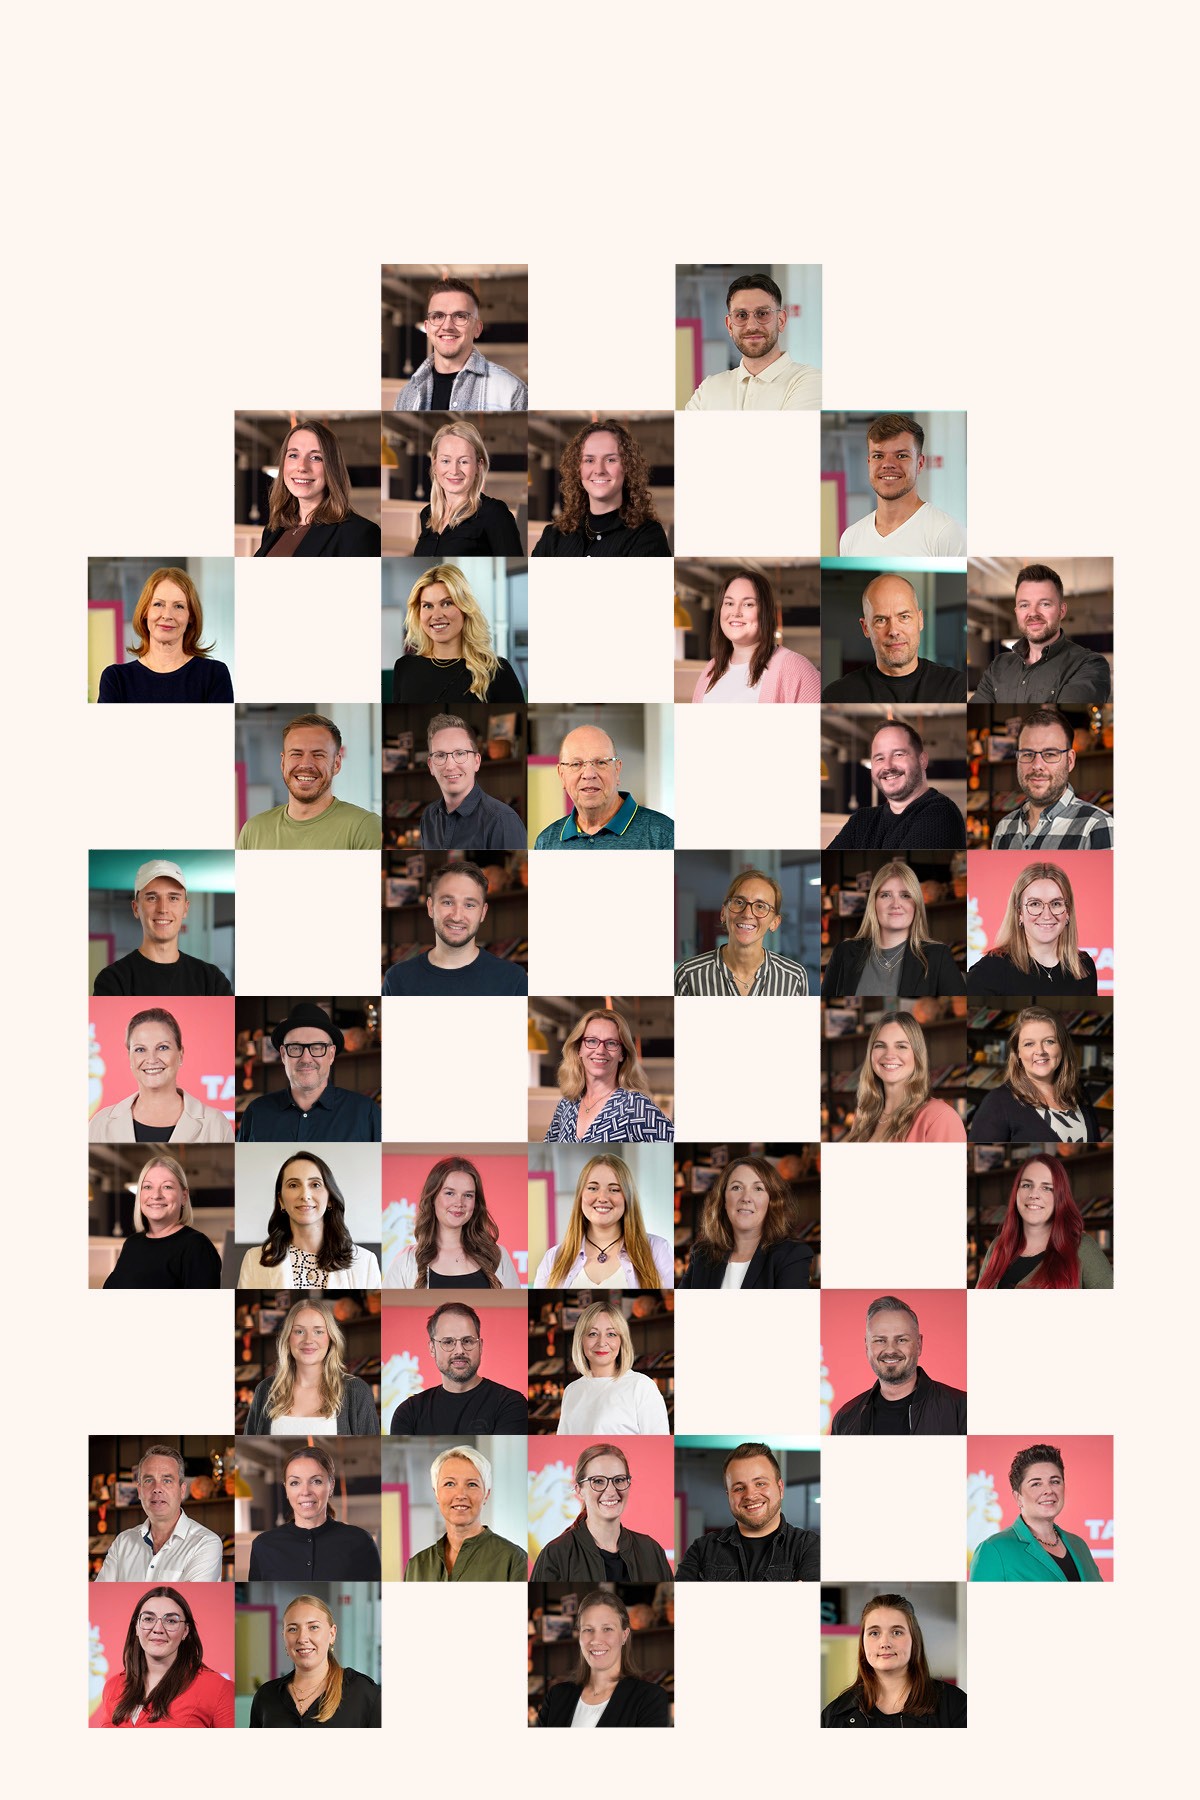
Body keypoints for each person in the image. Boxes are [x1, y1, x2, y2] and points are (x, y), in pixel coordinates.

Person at [237, 1003, 382, 1143]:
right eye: (295, 1048)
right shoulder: (256, 1113)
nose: (306, 1058)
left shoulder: (366, 1113)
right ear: (283, 1055)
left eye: (317, 1047)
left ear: (331, 1055)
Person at [92, 1586, 234, 1728]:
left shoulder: (218, 1688)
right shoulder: (113, 1686)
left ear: (185, 1631)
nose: (158, 1629)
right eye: (148, 1619)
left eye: (171, 1621)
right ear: (136, 1627)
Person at [237, 712, 382, 850]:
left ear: (336, 764)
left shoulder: (365, 827)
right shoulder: (253, 831)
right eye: (296, 754)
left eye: (318, 755)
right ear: (283, 763)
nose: (306, 764)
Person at [530, 1443, 673, 1582]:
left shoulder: (650, 1550)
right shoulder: (556, 1554)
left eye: (619, 1480)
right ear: (579, 1490)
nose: (611, 1491)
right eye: (598, 1481)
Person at [236, 1153, 382, 1289]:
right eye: (293, 1185)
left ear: (330, 1198)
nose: (305, 1195)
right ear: (281, 1200)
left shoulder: (365, 1262)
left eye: (315, 1185)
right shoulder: (253, 1260)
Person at [676, 1442, 820, 1580]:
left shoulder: (809, 1547)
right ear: (729, 1495)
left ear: (780, 1488)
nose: (750, 1495)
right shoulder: (702, 1550)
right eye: (739, 1488)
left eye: (760, 1483)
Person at [821, 860, 965, 998]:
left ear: (916, 904)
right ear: (874, 904)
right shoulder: (843, 953)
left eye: (905, 895)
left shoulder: (938, 957)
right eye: (885, 895)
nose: (896, 904)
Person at [381, 860, 526, 996]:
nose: (457, 916)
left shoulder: (513, 980)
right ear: (430, 907)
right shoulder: (397, 980)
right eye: (448, 902)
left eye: (469, 905)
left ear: (483, 913)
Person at [89, 1007, 234, 1144]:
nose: (152, 1059)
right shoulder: (100, 1124)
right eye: (140, 1049)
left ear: (180, 1054)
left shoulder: (215, 1124)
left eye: (163, 1047)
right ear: (130, 1057)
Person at [821, 1592, 967, 1726]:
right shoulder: (833, 1717)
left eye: (896, 1632)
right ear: (863, 1642)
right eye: (874, 1633)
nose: (885, 1643)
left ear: (914, 1640)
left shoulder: (956, 1705)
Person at [974, 563, 1111, 703]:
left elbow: (1058, 719)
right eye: (1024, 605)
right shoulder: (998, 666)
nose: (1033, 613)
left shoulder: (1088, 665)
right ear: (1016, 612)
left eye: (1044, 604)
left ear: (1062, 611)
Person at [830, 1295, 967, 1435]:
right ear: (867, 1347)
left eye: (901, 1340)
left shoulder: (963, 1409)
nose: (890, 1350)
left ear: (919, 1344)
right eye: (880, 1340)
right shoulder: (845, 1419)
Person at [93, 859, 233, 996]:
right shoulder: (113, 980)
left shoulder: (212, 981)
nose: (163, 909)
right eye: (152, 898)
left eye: (173, 898)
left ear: (185, 908)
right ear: (136, 908)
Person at [683, 272, 821, 411]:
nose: (752, 326)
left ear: (781, 320)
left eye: (762, 313)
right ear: (730, 326)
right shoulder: (708, 389)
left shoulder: (810, 381)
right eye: (741, 315)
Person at [532, 420, 670, 557]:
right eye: (589, 460)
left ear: (627, 467)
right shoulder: (554, 536)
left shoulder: (647, 535)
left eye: (610, 460)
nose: (599, 470)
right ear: (578, 469)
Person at [534, 1589, 671, 1727]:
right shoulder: (557, 1696)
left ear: (624, 1635)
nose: (596, 1640)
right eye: (588, 1629)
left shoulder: (649, 1698)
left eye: (607, 1629)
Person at [532, 1155, 673, 1288]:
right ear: (580, 1195)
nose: (602, 1197)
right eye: (593, 1188)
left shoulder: (657, 1250)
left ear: (627, 1197)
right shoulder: (553, 1258)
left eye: (614, 1189)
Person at [97, 566, 234, 703]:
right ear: (145, 611)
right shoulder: (116, 679)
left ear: (191, 616)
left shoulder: (214, 675)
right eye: (158, 604)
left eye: (179, 606)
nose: (167, 615)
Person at [242, 1297, 378, 1435]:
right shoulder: (265, 1390)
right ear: (288, 1338)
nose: (308, 1340)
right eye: (299, 1331)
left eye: (318, 1331)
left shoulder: (357, 1391)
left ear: (330, 1338)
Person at [970, 1443, 1103, 1581]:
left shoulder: (1079, 1545)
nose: (1049, 1490)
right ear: (1018, 1497)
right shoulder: (993, 1550)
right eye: (1036, 1484)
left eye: (1055, 1481)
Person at [382, 1155, 521, 1287]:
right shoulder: (406, 1261)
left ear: (476, 1202)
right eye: (450, 1193)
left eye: (468, 1195)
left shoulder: (497, 1255)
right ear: (432, 1198)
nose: (459, 1203)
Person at [392, 563, 524, 703]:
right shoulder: (404, 668)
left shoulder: (496, 671)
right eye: (428, 606)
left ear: (465, 608)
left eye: (447, 603)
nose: (436, 615)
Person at [826, 719, 966, 851]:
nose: (888, 766)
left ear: (922, 760)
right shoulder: (861, 821)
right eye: (879, 758)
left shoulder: (939, 813)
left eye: (898, 754)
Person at [822, 574, 966, 702]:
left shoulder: (956, 688)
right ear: (865, 628)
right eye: (881, 620)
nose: (894, 631)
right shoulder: (838, 695)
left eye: (904, 617)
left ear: (920, 620)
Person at [388, 1301, 528, 1433]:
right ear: (432, 1348)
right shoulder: (408, 1412)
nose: (459, 1350)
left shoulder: (510, 1404)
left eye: (467, 1341)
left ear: (480, 1346)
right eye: (448, 1342)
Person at [968, 1005, 1100, 1143]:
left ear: (1062, 1046)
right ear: (1018, 1052)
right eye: (1029, 1044)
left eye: (1049, 1041)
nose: (1040, 1051)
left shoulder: (1078, 1091)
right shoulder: (997, 1102)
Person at [975, 1156, 1112, 1288]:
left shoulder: (1081, 1247)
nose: (1033, 1194)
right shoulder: (997, 1247)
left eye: (1046, 1188)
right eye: (1027, 1185)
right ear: (1016, 1192)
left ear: (1060, 1197)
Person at [677, 1157, 814, 1289]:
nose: (746, 1198)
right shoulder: (702, 1255)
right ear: (724, 1200)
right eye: (736, 1188)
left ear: (772, 1201)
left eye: (758, 1189)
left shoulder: (792, 1256)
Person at [838, 414, 966, 556]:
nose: (887, 464)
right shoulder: (850, 538)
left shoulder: (946, 533)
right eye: (878, 456)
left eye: (901, 456)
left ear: (920, 463)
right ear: (869, 463)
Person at [543, 1007, 675, 1143]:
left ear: (622, 1054)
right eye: (592, 1041)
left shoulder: (635, 1105)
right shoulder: (566, 1105)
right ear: (579, 1049)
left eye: (611, 1043)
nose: (600, 1050)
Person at [247, 1445, 381, 1579]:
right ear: (286, 1489)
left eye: (316, 1481)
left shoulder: (360, 1541)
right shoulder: (264, 1545)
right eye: (295, 1483)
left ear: (331, 1486)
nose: (305, 1492)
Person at [689, 568, 821, 703]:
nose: (736, 612)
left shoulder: (795, 667)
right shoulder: (711, 668)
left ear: (765, 612)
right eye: (729, 603)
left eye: (748, 604)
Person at [990, 706, 1114, 849]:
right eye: (1027, 754)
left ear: (1069, 761)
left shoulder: (1098, 826)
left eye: (1050, 754)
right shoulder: (1003, 828)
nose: (1037, 765)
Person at [249, 1593, 382, 1726]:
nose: (302, 1638)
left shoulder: (364, 1693)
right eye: (293, 1629)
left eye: (313, 1627)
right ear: (284, 1636)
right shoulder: (266, 1696)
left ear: (332, 1634)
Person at [393, 279, 528, 410]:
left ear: (477, 329)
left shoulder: (513, 391)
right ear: (427, 328)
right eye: (438, 316)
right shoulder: (406, 396)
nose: (447, 326)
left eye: (460, 316)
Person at [94, 1444, 223, 1581]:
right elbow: (101, 1598)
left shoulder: (205, 1543)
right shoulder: (122, 1542)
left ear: (182, 1491)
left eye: (167, 1480)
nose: (157, 1489)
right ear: (139, 1491)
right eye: (149, 1480)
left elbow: (189, 1602)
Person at [968, 861, 1099, 995]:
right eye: (1035, 904)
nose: (1047, 915)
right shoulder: (990, 970)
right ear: (1019, 912)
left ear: (1068, 911)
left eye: (1056, 904)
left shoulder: (1084, 965)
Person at [253, 420, 381, 557]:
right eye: (293, 455)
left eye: (315, 457)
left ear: (332, 468)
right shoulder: (272, 530)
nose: (302, 467)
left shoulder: (360, 533)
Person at [533, 725, 674, 848]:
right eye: (576, 764)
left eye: (600, 762)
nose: (588, 774)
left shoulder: (664, 834)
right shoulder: (545, 842)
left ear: (617, 769)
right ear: (561, 775)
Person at [675, 868, 809, 996]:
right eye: (739, 902)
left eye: (760, 906)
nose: (747, 913)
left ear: (774, 922)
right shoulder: (689, 975)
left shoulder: (794, 978)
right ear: (723, 913)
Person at [403, 1445, 527, 1581]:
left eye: (472, 1484)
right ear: (436, 1494)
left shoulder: (514, 1560)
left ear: (486, 1494)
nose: (461, 1495)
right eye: (450, 1484)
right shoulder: (416, 1566)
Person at [843, 1012, 966, 1144]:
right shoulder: (863, 1116)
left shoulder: (940, 1117)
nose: (889, 1055)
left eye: (901, 1046)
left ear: (917, 1055)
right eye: (880, 1045)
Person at [102, 1153, 222, 1289]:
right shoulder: (132, 1243)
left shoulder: (197, 1247)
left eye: (167, 1187)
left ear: (184, 1196)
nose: (156, 1195)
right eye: (147, 1187)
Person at [557, 1301, 670, 1435]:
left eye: (611, 1334)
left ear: (621, 1340)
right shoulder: (572, 1390)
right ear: (580, 1340)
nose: (601, 1343)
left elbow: (657, 1448)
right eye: (592, 1334)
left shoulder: (641, 1386)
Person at [416, 713, 525, 850]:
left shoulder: (502, 820)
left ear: (477, 761)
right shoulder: (428, 816)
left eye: (460, 753)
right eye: (440, 755)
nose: (450, 766)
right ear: (431, 765)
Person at [413, 419, 523, 554]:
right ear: (435, 464)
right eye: (446, 461)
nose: (454, 470)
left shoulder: (494, 513)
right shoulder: (427, 514)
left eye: (463, 461)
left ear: (478, 466)